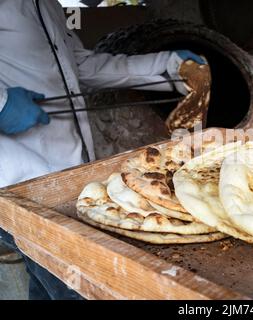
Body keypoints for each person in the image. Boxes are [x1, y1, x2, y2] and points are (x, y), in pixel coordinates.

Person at [0, 0, 205, 299]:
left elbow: (79, 66)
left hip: (66, 182)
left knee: (47, 287)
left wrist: (168, 67)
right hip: (15, 188)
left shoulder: (47, 5)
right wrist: (2, 105)